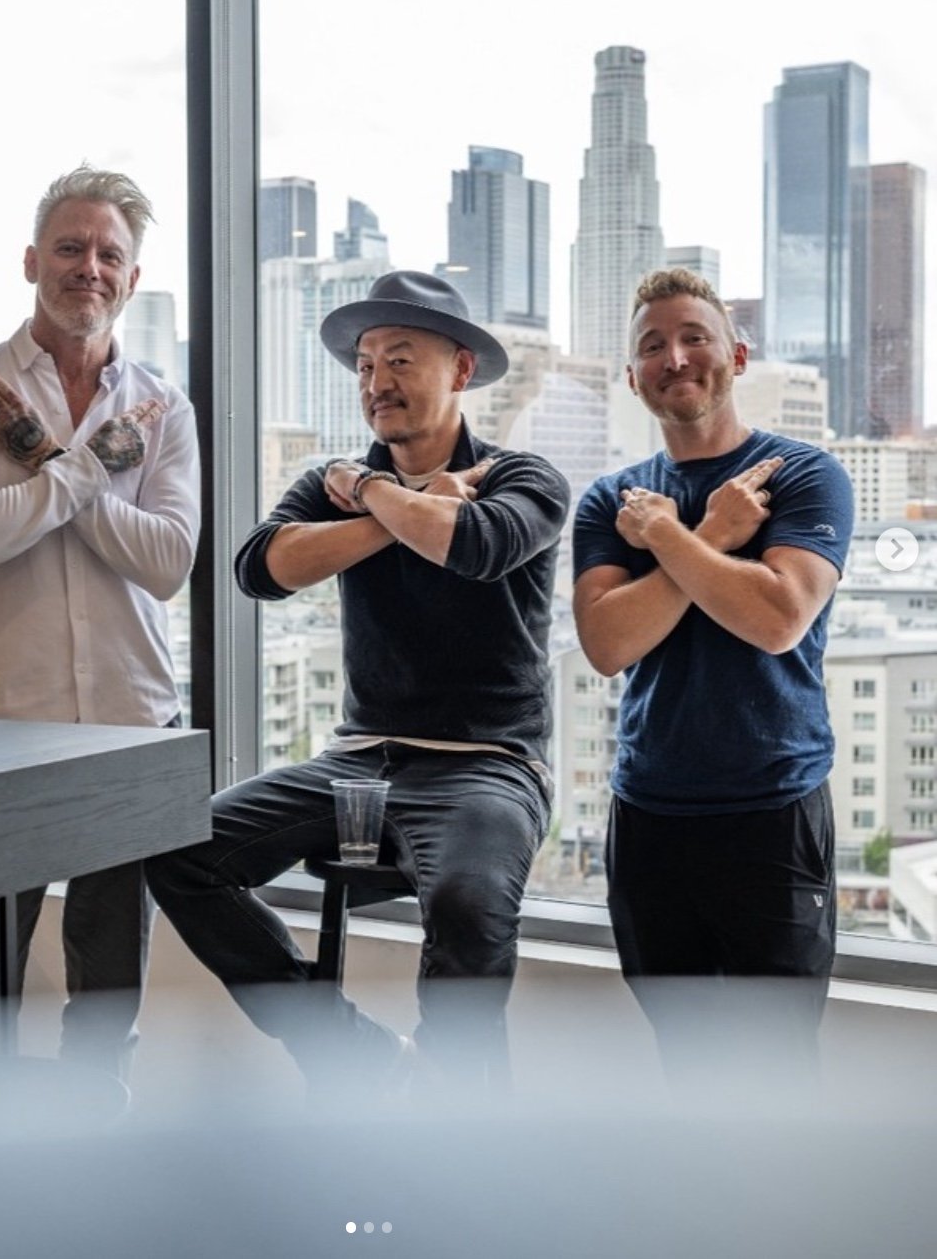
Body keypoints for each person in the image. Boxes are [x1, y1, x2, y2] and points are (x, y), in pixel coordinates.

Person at [146, 270, 569, 1092]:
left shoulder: (524, 477)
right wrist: (390, 509)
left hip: (488, 765)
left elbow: (475, 545)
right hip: (359, 763)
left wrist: (368, 493)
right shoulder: (332, 484)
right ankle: (350, 1050)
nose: (377, 383)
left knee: (469, 907)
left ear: (461, 370)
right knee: (180, 854)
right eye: (367, 365)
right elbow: (259, 569)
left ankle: (453, 1115)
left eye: (400, 360)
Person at [0, 164, 200, 1076]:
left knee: (110, 986)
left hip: (128, 723)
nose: (90, 267)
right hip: (1, 729)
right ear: (32, 259)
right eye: (71, 248)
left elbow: (167, 564)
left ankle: (98, 1152)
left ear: (133, 277)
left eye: (109, 253)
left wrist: (46, 470)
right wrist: (87, 470)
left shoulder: (164, 409)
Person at [572, 267, 854, 1084]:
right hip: (651, 816)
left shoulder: (801, 474)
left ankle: (779, 1217)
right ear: (633, 378)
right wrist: (714, 538)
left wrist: (668, 539)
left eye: (694, 337)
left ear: (735, 353)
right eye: (653, 345)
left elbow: (775, 619)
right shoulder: (612, 500)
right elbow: (607, 642)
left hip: (771, 812)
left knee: (777, 1072)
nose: (676, 356)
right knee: (686, 1065)